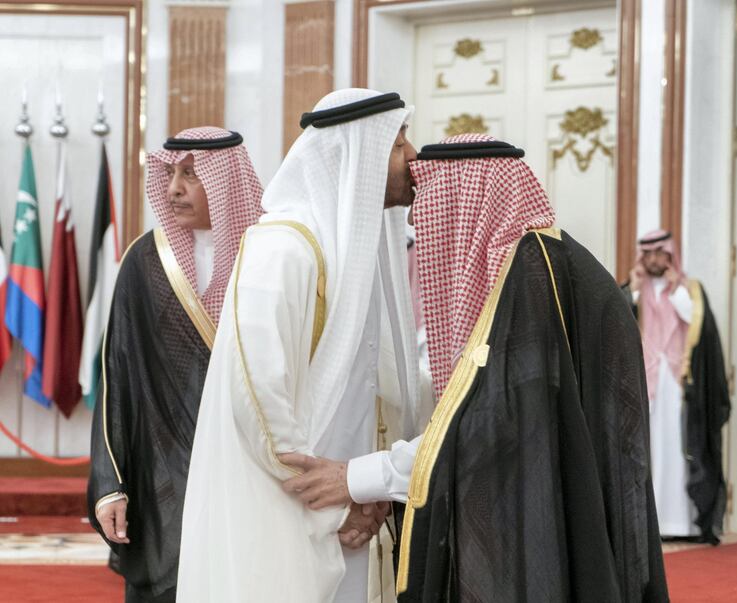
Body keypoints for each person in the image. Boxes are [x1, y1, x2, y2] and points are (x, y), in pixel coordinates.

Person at [285, 134, 669, 602]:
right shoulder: (547, 260)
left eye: (429, 207)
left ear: (466, 204)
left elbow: (486, 428)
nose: (420, 224)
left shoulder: (526, 281)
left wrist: (356, 477)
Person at [177, 89, 427, 603]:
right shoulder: (282, 248)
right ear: (356, 154)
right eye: (399, 141)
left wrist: (370, 489)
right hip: (291, 509)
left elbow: (385, 385)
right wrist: (334, 503)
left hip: (357, 509)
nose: (413, 156)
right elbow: (260, 399)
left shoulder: (362, 250)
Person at [87, 127, 264, 602]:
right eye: (170, 174)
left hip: (250, 470)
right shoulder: (144, 260)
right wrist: (110, 483)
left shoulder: (269, 256)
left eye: (192, 174)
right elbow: (117, 377)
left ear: (226, 181)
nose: (174, 189)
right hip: (161, 473)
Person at [624, 229, 730, 543]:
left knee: (680, 449)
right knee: (648, 449)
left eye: (660, 253)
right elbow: (618, 322)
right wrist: (632, 288)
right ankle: (648, 522)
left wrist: (674, 289)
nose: (654, 260)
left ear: (671, 255)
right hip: (645, 384)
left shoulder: (689, 290)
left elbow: (698, 325)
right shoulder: (634, 289)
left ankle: (684, 523)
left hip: (677, 386)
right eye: (649, 254)